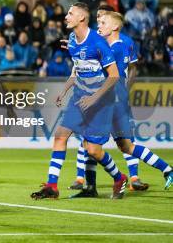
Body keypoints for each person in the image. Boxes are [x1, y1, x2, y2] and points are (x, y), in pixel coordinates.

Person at [70, 11, 173, 198]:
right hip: (118, 100)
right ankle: (167, 170)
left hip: (108, 101)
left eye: (103, 22)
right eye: (98, 22)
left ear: (115, 27)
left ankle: (94, 186)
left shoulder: (113, 48)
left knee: (90, 143)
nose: (98, 26)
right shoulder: (120, 45)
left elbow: (104, 74)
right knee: (126, 146)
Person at [31, 3, 126, 200]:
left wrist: (94, 97)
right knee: (60, 136)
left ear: (82, 18)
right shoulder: (73, 40)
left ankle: (119, 177)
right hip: (79, 99)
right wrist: (64, 91)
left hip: (100, 102)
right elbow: (77, 70)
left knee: (93, 150)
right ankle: (52, 185)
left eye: (70, 13)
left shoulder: (98, 43)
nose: (66, 16)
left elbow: (114, 75)